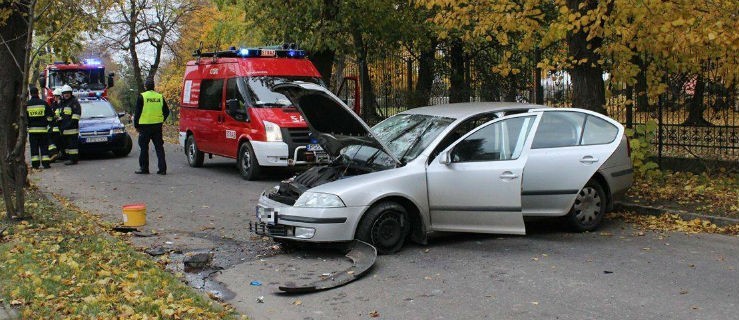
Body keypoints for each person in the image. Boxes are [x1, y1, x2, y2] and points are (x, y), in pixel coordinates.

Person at [134, 77, 169, 175]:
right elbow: (167, 111)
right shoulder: (160, 97)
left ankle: (144, 168)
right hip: (157, 126)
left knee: (144, 148)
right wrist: (161, 120)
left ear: (145, 86)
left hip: (144, 126)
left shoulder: (142, 97)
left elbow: (137, 113)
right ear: (154, 86)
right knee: (159, 148)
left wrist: (136, 125)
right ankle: (162, 169)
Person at [26, 87, 53, 169]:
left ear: (30, 94)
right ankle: (46, 164)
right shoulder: (44, 103)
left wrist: (28, 125)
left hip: (32, 131)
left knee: (34, 148)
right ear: (37, 93)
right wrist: (46, 123)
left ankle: (35, 165)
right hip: (43, 130)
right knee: (44, 147)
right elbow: (50, 116)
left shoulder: (27, 104)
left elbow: (25, 118)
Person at [58, 85, 81, 165]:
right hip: (64, 129)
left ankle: (73, 160)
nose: (66, 95)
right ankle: (69, 158)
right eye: (65, 93)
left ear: (71, 93)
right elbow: (61, 114)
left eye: (68, 93)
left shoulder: (74, 102)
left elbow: (76, 115)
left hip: (72, 129)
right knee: (67, 146)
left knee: (72, 146)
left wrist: (69, 124)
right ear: (62, 94)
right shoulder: (62, 103)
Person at [47, 88, 63, 162]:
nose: (55, 98)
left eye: (57, 96)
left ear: (60, 96)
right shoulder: (54, 104)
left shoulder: (62, 104)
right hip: (53, 127)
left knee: (56, 142)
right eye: (54, 96)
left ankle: (56, 154)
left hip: (60, 127)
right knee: (51, 140)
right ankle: (54, 154)